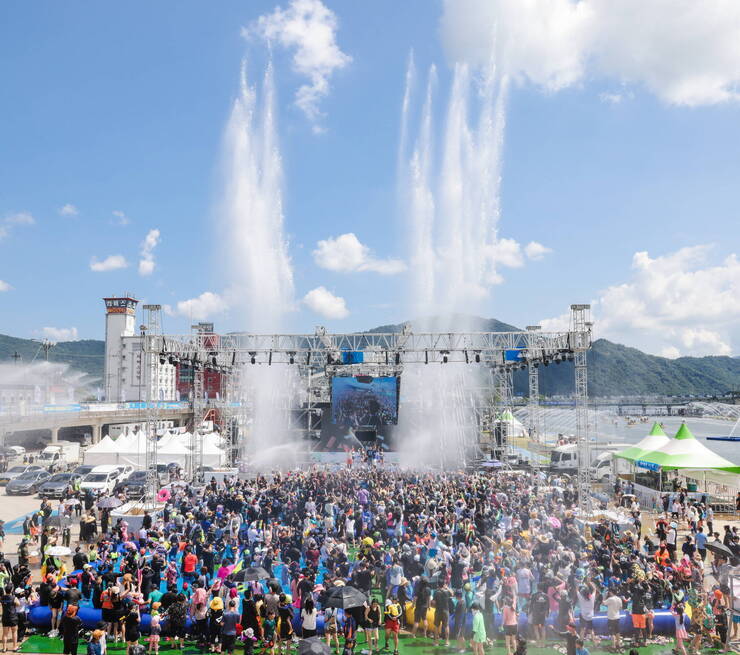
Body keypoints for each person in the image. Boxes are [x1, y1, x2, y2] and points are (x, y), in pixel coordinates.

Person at [1, 585, 20, 652]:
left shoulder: (2, 598)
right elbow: (18, 604)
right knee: (14, 632)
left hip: (5, 617)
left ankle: (4, 648)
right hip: (13, 617)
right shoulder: (14, 598)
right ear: (11, 590)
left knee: (5, 634)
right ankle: (15, 647)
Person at [604, 589, 623, 653]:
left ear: (611, 592)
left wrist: (604, 596)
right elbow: (620, 607)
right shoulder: (619, 599)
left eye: (609, 592)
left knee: (612, 633)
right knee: (617, 631)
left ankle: (613, 646)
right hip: (617, 617)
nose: (609, 593)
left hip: (611, 618)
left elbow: (603, 603)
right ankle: (618, 644)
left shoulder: (611, 599)